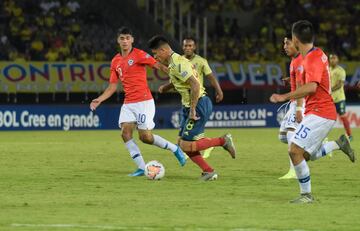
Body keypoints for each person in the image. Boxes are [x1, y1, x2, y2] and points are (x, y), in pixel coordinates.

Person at [270, 20, 355, 203]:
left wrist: (284, 97)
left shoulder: (312, 58)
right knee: (304, 155)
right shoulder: (313, 55)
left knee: (293, 150)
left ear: (295, 38)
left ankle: (306, 195)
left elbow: (311, 87)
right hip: (316, 112)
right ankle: (338, 144)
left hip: (321, 113)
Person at [90, 27, 186, 177]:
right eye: (122, 38)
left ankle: (175, 149)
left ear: (132, 40)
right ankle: (142, 167)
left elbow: (158, 65)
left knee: (145, 137)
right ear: (118, 40)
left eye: (128, 38)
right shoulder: (115, 61)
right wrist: (100, 99)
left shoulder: (139, 54)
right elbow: (112, 86)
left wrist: (175, 73)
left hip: (144, 102)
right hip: (129, 103)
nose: (125, 41)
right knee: (125, 133)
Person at [148, 35, 236, 181]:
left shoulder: (178, 63)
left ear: (163, 50)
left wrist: (193, 109)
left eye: (156, 54)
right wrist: (167, 87)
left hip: (199, 104)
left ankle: (223, 141)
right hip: (189, 105)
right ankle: (208, 171)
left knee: (187, 144)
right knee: (182, 143)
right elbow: (182, 81)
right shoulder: (175, 62)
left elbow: (195, 85)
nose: (156, 57)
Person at [159, 36, 224, 158]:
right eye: (185, 45)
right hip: (186, 103)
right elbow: (176, 81)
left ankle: (212, 145)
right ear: (182, 47)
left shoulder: (201, 61)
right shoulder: (178, 61)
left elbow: (211, 77)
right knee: (181, 140)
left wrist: (219, 91)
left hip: (197, 100)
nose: (188, 48)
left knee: (187, 142)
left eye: (190, 45)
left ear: (194, 47)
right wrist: (166, 87)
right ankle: (205, 151)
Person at [277, 36, 304, 180]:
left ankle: (294, 171)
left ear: (297, 43)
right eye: (284, 43)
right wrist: (290, 80)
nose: (284, 46)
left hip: (300, 101)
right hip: (295, 101)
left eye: (287, 43)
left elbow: (302, 86)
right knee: (282, 136)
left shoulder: (300, 61)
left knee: (290, 132)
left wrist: (299, 108)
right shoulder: (294, 61)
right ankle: (326, 144)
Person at [329, 54, 353, 141]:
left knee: (343, 116)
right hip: (330, 99)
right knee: (327, 118)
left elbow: (340, 85)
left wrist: (329, 90)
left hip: (339, 98)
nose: (332, 60)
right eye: (331, 58)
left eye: (334, 58)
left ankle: (350, 135)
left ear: (337, 60)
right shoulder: (328, 70)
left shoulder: (341, 70)